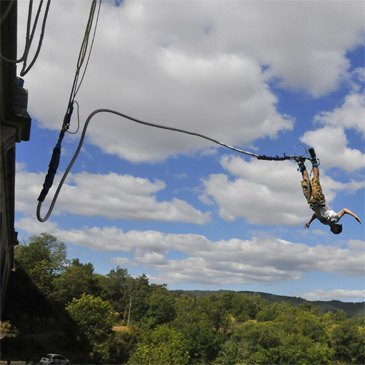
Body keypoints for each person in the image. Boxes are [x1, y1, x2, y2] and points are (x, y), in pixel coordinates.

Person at [296, 147, 361, 234]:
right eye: (334, 231)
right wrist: (355, 216)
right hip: (319, 200)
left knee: (305, 183)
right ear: (336, 228)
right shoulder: (336, 219)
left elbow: (316, 215)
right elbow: (345, 210)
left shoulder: (324, 223)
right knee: (315, 180)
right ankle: (314, 160)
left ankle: (301, 164)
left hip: (311, 202)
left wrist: (309, 222)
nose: (332, 231)